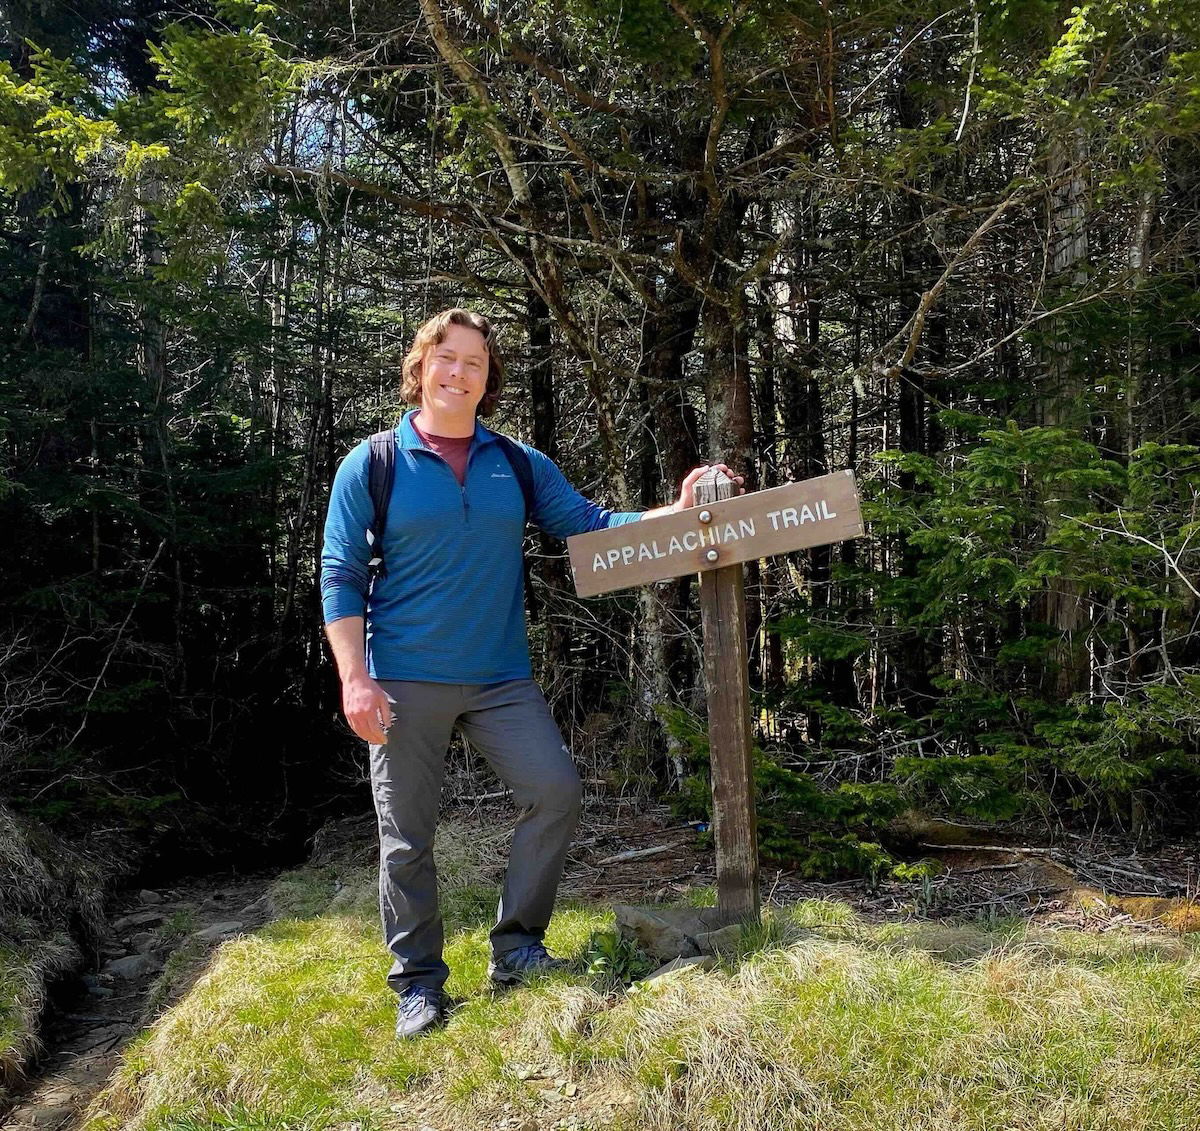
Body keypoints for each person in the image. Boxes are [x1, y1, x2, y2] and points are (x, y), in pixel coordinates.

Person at [320, 308, 743, 1039]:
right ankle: (418, 983)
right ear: (420, 367)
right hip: (402, 680)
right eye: (446, 358)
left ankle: (516, 947)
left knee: (554, 791)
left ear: (489, 379)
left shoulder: (513, 462)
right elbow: (340, 573)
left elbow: (591, 524)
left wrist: (675, 512)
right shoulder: (374, 463)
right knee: (407, 836)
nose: (459, 372)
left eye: (475, 362)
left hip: (499, 678)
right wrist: (355, 677)